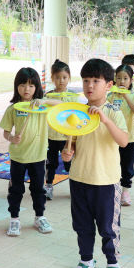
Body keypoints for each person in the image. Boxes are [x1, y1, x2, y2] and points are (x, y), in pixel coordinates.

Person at [62, 59, 128, 268]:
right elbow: (74, 143)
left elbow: (123, 140)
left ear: (108, 84)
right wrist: (67, 153)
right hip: (79, 178)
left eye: (96, 81)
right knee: (82, 225)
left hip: (106, 182)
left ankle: (113, 264)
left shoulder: (114, 111)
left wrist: (105, 119)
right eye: (86, 81)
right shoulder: (77, 113)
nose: (90, 85)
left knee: (108, 228)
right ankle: (86, 262)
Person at [0, 67, 53, 236]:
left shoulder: (43, 106)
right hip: (18, 157)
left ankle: (39, 217)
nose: (26, 89)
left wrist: (44, 102)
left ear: (37, 87)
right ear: (17, 87)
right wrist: (11, 138)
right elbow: (6, 132)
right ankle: (14, 219)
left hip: (38, 156)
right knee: (16, 190)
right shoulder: (13, 108)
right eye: (22, 85)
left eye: (31, 86)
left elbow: (62, 106)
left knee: (38, 189)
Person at [109, 64, 134, 206]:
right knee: (112, 163)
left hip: (129, 138)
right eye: (119, 78)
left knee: (127, 165)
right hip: (112, 138)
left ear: (131, 80)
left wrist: (126, 96)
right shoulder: (110, 95)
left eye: (125, 78)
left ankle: (125, 191)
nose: (122, 81)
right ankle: (113, 189)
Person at [45, 59, 73, 200]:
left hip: (66, 137)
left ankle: (73, 186)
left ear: (69, 78)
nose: (61, 80)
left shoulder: (72, 97)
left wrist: (71, 137)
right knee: (51, 164)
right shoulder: (47, 96)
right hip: (50, 137)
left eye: (64, 77)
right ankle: (49, 186)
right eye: (57, 77)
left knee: (69, 163)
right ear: (52, 78)